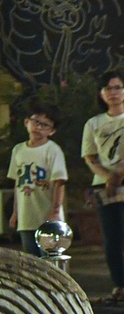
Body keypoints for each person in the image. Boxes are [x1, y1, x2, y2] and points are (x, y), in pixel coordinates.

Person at [82, 73, 124, 300]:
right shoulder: (94, 123)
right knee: (110, 240)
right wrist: (108, 177)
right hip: (104, 187)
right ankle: (118, 285)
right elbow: (90, 157)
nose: (113, 93)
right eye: (107, 88)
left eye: (117, 88)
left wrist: (119, 176)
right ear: (101, 94)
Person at [9, 105, 67, 254]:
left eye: (45, 125)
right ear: (27, 122)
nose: (39, 127)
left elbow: (59, 181)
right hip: (26, 217)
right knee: (31, 260)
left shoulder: (52, 150)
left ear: (52, 131)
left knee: (50, 258)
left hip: (47, 216)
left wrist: (55, 211)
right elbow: (18, 183)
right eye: (36, 122)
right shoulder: (18, 150)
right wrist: (15, 213)